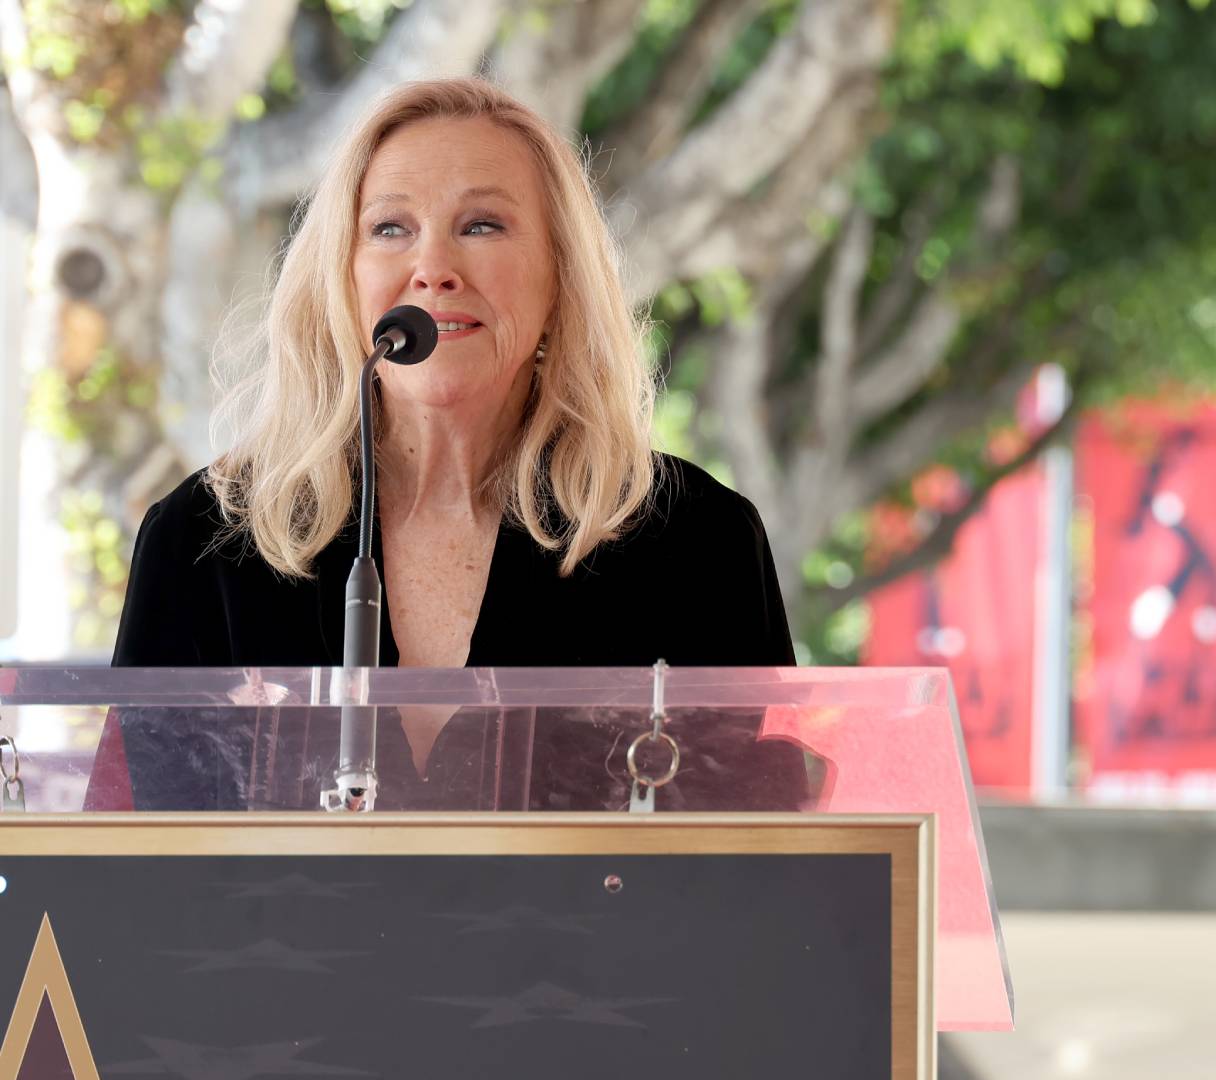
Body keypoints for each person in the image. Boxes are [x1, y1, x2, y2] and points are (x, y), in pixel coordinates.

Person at [107, 78, 799, 809]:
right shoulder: (204, 539)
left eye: (482, 226)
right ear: (341, 278)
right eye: (389, 228)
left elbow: (754, 870)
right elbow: (131, 873)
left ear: (561, 275)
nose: (432, 267)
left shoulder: (698, 541)